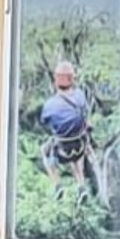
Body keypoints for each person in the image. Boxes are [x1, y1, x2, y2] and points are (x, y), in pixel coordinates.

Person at [37, 60, 92, 192]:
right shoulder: (80, 95)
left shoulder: (50, 104)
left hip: (62, 150)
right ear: (71, 79)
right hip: (79, 146)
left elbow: (44, 122)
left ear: (56, 80)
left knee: (44, 151)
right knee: (77, 159)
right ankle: (81, 184)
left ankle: (57, 184)